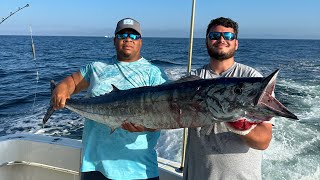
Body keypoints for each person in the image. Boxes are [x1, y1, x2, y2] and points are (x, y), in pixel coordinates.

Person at [51, 18, 167, 180]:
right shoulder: (96, 67)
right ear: (114, 40)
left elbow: (165, 115)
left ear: (140, 42)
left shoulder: (155, 74)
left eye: (133, 36)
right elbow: (72, 81)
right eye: (122, 35)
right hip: (95, 165)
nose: (128, 39)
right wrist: (61, 88)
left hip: (139, 168)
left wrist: (147, 126)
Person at [183, 17, 274, 180]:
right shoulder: (193, 80)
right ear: (206, 42)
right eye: (214, 35)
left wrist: (239, 125)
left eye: (229, 36)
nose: (222, 39)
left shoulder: (253, 80)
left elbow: (263, 141)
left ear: (236, 43)